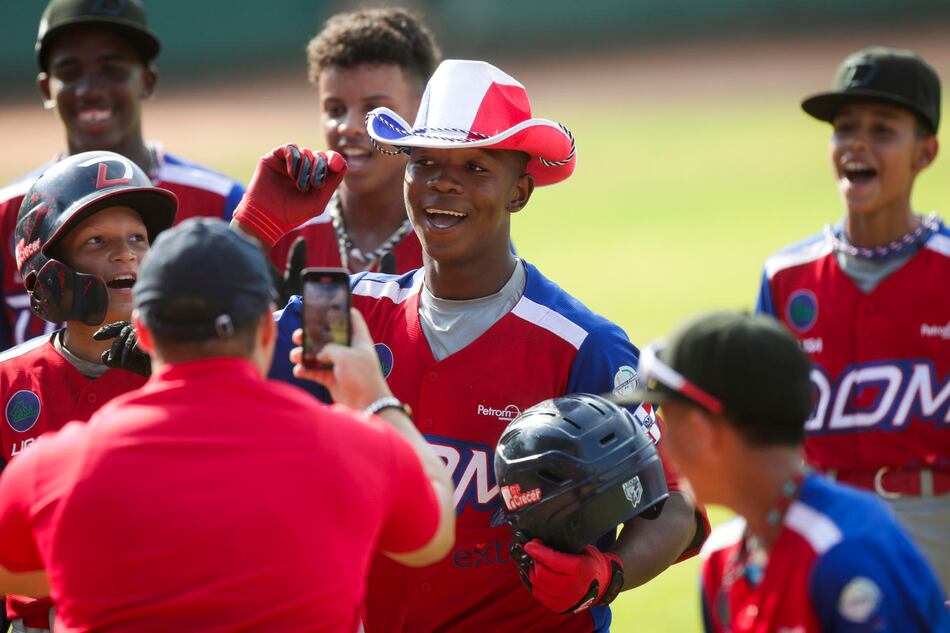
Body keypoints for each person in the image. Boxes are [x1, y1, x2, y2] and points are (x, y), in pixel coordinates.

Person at [237, 59, 707, 633]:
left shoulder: (585, 345)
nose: (444, 182)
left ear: (520, 192)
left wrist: (606, 574)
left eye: (475, 167)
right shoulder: (345, 310)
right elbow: (196, 352)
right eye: (425, 163)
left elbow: (675, 503)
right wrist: (254, 229)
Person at [0, 217, 455, 632]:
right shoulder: (354, 450)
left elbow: (11, 572)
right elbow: (433, 536)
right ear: (267, 331)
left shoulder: (57, 467)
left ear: (143, 332)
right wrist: (374, 396)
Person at [617, 312, 950, 632]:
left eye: (673, 422)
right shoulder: (722, 557)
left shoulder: (848, 550)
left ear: (704, 431)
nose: (665, 446)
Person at [755, 46, 949, 589]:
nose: (857, 143)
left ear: (925, 153)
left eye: (882, 130)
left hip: (936, 524)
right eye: (844, 129)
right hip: (824, 525)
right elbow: (765, 433)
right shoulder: (785, 276)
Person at [0, 0, 245, 351]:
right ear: (45, 89)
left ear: (147, 81)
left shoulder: (221, 202)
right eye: (69, 71)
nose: (90, 89)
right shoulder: (9, 214)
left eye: (112, 69)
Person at [0, 150, 177, 632]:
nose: (126, 254)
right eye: (97, 241)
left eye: (138, 238)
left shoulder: (187, 374)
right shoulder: (10, 380)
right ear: (48, 272)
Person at [269, 7, 441, 279]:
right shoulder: (285, 230)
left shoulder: (453, 236)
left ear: (421, 114)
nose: (348, 127)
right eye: (335, 110)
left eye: (374, 110)